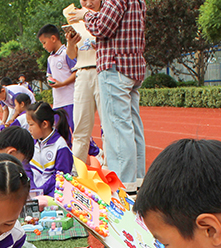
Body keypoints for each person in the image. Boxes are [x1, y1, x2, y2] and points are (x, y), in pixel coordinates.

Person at [68, 0, 146, 192]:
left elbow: (103, 27)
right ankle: (136, 181)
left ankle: (122, 186)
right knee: (131, 126)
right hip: (132, 67)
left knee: (116, 128)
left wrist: (84, 15)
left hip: (115, 68)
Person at [65, 0, 103, 164]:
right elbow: (72, 55)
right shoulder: (74, 20)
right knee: (80, 126)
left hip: (103, 71)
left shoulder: (106, 16)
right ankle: (77, 168)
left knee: (108, 126)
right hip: (82, 73)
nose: (88, 2)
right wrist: (70, 43)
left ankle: (110, 167)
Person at [27, 101, 73, 196]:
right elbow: (27, 168)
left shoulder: (60, 146)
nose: (29, 129)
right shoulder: (32, 141)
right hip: (35, 191)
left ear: (44, 124)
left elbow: (61, 177)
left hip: (53, 193)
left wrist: (41, 191)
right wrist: (32, 189)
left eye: (31, 124)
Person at [39, 24, 77, 129]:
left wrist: (62, 83)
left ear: (53, 38)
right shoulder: (50, 58)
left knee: (77, 130)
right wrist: (50, 81)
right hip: (57, 102)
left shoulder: (67, 53)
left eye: (44, 43)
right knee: (61, 132)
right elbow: (49, 75)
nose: (44, 46)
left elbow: (77, 72)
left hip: (71, 100)